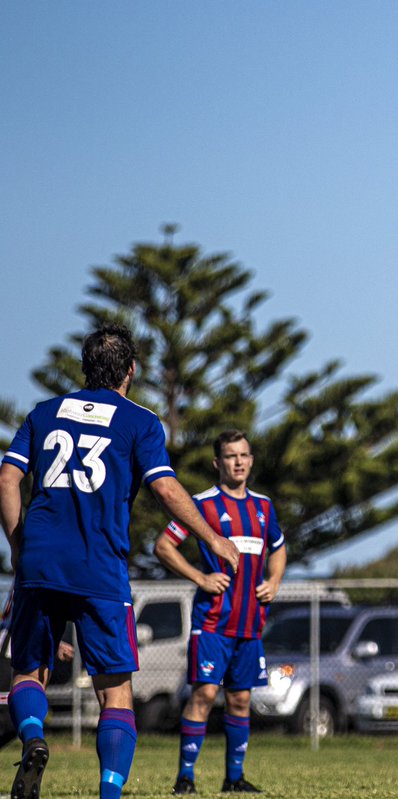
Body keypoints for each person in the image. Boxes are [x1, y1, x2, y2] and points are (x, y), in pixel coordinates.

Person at [0, 323, 239, 799]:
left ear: (85, 368)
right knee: (115, 693)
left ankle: (32, 738)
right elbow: (165, 488)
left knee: (29, 673)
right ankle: (109, 793)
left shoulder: (44, 413)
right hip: (100, 568)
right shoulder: (140, 422)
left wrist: (19, 546)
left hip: (40, 563)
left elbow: (7, 480)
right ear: (132, 369)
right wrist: (212, 536)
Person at [154, 430, 286, 795]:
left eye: (244, 455)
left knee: (241, 699)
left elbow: (278, 548)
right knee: (204, 695)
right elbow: (163, 546)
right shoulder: (203, 505)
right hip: (212, 623)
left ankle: (234, 778)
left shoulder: (263, 507)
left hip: (250, 626)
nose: (239, 462)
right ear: (218, 463)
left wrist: (274, 581)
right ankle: (185, 777)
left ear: (252, 459)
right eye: (230, 456)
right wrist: (200, 577)